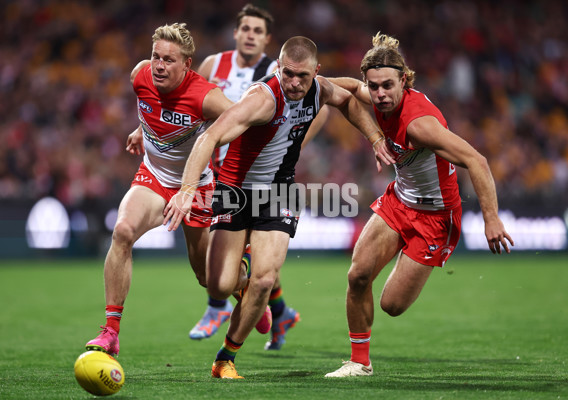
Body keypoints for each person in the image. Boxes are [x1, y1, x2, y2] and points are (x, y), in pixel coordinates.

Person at [164, 36, 395, 379]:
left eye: (303, 76)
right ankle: (242, 282)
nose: (294, 83)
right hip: (235, 190)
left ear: (315, 73)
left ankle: (225, 359)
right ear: (278, 68)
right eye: (287, 74)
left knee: (265, 279)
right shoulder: (261, 99)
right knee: (218, 287)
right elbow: (208, 138)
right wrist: (187, 189)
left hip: (279, 192)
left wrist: (376, 139)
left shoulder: (319, 89)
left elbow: (346, 99)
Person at [323, 32, 514, 378]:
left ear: (404, 81)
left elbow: (478, 161)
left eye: (387, 86)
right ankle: (358, 362)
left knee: (391, 305)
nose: (379, 95)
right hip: (400, 202)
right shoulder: (377, 95)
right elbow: (351, 88)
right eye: (374, 86)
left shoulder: (419, 125)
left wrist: (491, 219)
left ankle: (413, 260)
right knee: (358, 275)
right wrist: (312, 81)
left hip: (436, 217)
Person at [84, 23, 235, 356]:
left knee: (208, 279)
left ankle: (248, 292)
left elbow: (241, 121)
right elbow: (154, 108)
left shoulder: (207, 97)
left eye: (169, 59)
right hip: (154, 177)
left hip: (197, 188)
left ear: (187, 64)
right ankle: (111, 331)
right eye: (156, 56)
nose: (159, 65)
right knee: (122, 231)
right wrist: (142, 128)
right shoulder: (140, 76)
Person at [188, 3, 319, 350]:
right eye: (245, 28)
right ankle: (274, 309)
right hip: (215, 169)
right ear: (236, 32)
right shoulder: (213, 65)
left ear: (268, 42)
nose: (250, 35)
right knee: (214, 274)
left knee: (261, 260)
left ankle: (228, 312)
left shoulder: (277, 74)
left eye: (258, 31)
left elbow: (317, 105)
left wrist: (293, 140)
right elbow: (190, 104)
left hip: (261, 176)